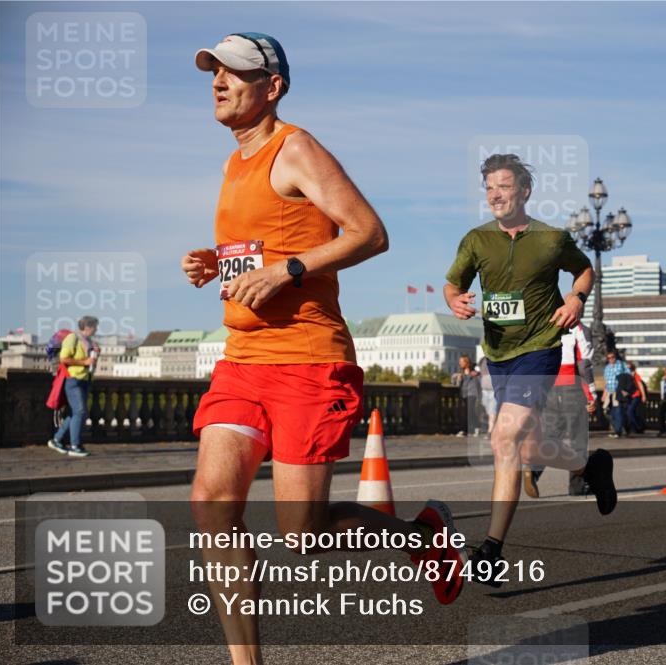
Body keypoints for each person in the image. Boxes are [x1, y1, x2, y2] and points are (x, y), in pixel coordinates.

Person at [184, 33, 465, 663]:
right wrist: (217, 263)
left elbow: (370, 233)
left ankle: (419, 537)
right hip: (243, 360)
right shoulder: (235, 162)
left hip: (307, 360)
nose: (218, 82)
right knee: (210, 503)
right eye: (214, 72)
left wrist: (286, 273)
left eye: (235, 72)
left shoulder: (296, 148)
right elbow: (264, 248)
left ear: (272, 87)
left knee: (302, 536)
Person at [445, 153, 616, 581]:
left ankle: (490, 549)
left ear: (524, 191)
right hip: (498, 354)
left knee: (503, 438)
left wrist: (576, 299)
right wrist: (453, 299)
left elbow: (583, 271)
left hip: (540, 349)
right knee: (525, 449)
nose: (495, 195)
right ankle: (587, 466)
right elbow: (454, 282)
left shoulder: (551, 238)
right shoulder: (475, 240)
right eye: (489, 188)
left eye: (503, 186)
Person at [524, 321, 598, 498]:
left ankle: (533, 471)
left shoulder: (546, 325)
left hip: (549, 386)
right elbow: (584, 365)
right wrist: (591, 394)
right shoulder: (579, 329)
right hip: (571, 386)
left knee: (550, 435)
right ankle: (577, 487)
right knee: (577, 438)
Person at [47, 316, 99, 457]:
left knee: (75, 413)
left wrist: (95, 355)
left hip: (85, 380)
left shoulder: (89, 341)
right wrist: (85, 362)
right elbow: (64, 359)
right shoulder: (72, 338)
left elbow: (90, 362)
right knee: (80, 412)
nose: (97, 329)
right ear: (88, 327)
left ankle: (57, 439)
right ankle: (74, 446)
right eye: (95, 326)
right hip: (73, 380)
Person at [602, 350, 630, 438]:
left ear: (615, 357)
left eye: (612, 357)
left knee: (617, 411)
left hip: (618, 392)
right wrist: (604, 394)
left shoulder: (621, 365)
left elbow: (628, 377)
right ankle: (619, 428)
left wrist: (625, 390)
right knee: (605, 410)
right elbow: (606, 382)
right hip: (609, 392)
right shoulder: (607, 368)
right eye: (609, 358)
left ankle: (618, 431)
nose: (611, 359)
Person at [453, 354, 481, 436]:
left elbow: (481, 378)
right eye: (459, 362)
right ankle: (471, 428)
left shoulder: (474, 371)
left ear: (467, 362)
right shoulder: (461, 372)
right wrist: (458, 378)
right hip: (463, 394)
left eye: (461, 362)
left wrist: (477, 374)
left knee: (468, 411)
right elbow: (455, 383)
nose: (460, 363)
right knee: (465, 412)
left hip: (472, 393)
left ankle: (467, 429)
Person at [625, 361, 648, 435]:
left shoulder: (636, 375)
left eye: (630, 368)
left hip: (636, 395)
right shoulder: (626, 375)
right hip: (629, 396)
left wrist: (644, 396)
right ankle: (634, 428)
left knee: (630, 412)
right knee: (631, 412)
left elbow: (640, 385)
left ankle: (638, 426)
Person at [478, 356, 497, 436]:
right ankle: (490, 428)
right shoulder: (482, 360)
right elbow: (481, 373)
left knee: (492, 411)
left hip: (493, 390)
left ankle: (490, 430)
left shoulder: (496, 358)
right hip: (484, 390)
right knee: (486, 411)